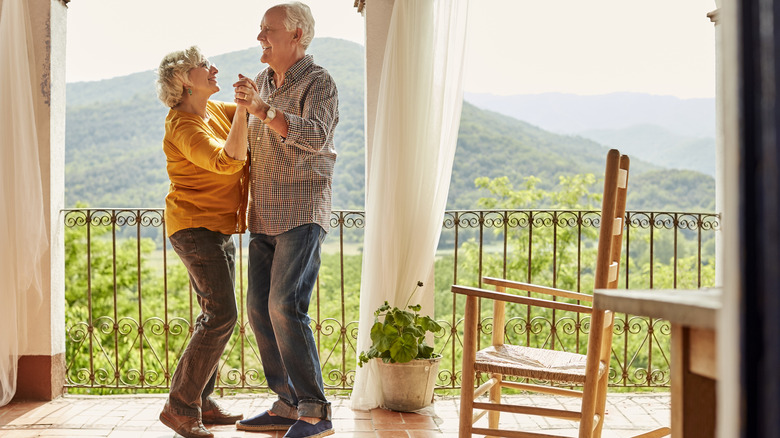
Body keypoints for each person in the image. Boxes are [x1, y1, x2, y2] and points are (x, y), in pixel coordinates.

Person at [232, 2, 338, 438]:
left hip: (301, 210)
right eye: (260, 30)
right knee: (259, 308)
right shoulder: (260, 82)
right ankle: (287, 403)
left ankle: (315, 411)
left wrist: (263, 110)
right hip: (264, 213)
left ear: (296, 35)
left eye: (268, 30)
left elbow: (316, 136)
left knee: (284, 306)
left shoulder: (320, 82)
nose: (260, 37)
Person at [155, 46, 251, 438]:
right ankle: (179, 406)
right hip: (194, 228)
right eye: (202, 66)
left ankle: (201, 400)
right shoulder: (182, 125)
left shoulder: (211, 111)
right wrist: (246, 109)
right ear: (184, 82)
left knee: (215, 315)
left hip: (217, 227)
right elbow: (227, 160)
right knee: (221, 315)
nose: (213, 69)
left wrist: (253, 101)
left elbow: (255, 122)